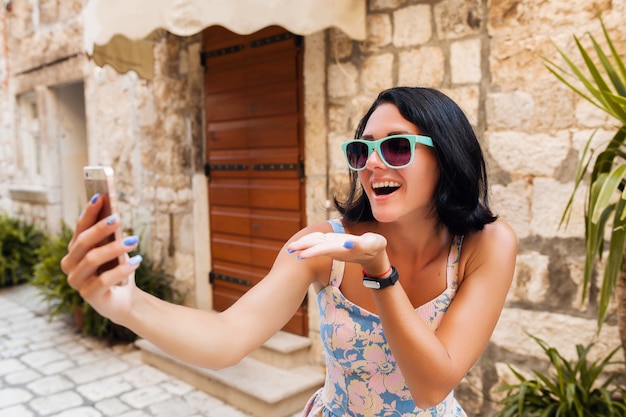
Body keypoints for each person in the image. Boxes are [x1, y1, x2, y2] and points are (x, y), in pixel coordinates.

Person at [61, 87, 517, 416]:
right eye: (362, 151)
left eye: (397, 147)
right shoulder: (326, 245)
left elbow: (431, 387)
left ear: (448, 154)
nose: (373, 162)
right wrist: (128, 304)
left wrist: (380, 273)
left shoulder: (486, 246)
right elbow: (227, 337)